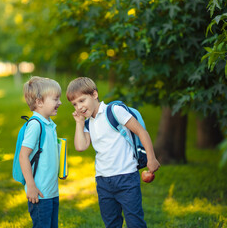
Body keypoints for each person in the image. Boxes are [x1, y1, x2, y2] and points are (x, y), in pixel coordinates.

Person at [66, 77, 160, 228]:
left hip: (126, 177)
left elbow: (141, 132)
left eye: (82, 100)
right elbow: (80, 146)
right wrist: (79, 123)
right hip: (103, 181)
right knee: (111, 223)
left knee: (135, 221)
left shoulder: (114, 111)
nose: (79, 107)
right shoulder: (88, 122)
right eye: (75, 104)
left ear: (94, 95)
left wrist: (151, 158)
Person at [19, 76, 62, 228]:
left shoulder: (50, 124)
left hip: (51, 192)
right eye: (56, 99)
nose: (60, 102)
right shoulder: (36, 125)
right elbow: (23, 155)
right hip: (39, 193)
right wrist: (31, 186)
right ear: (39, 102)